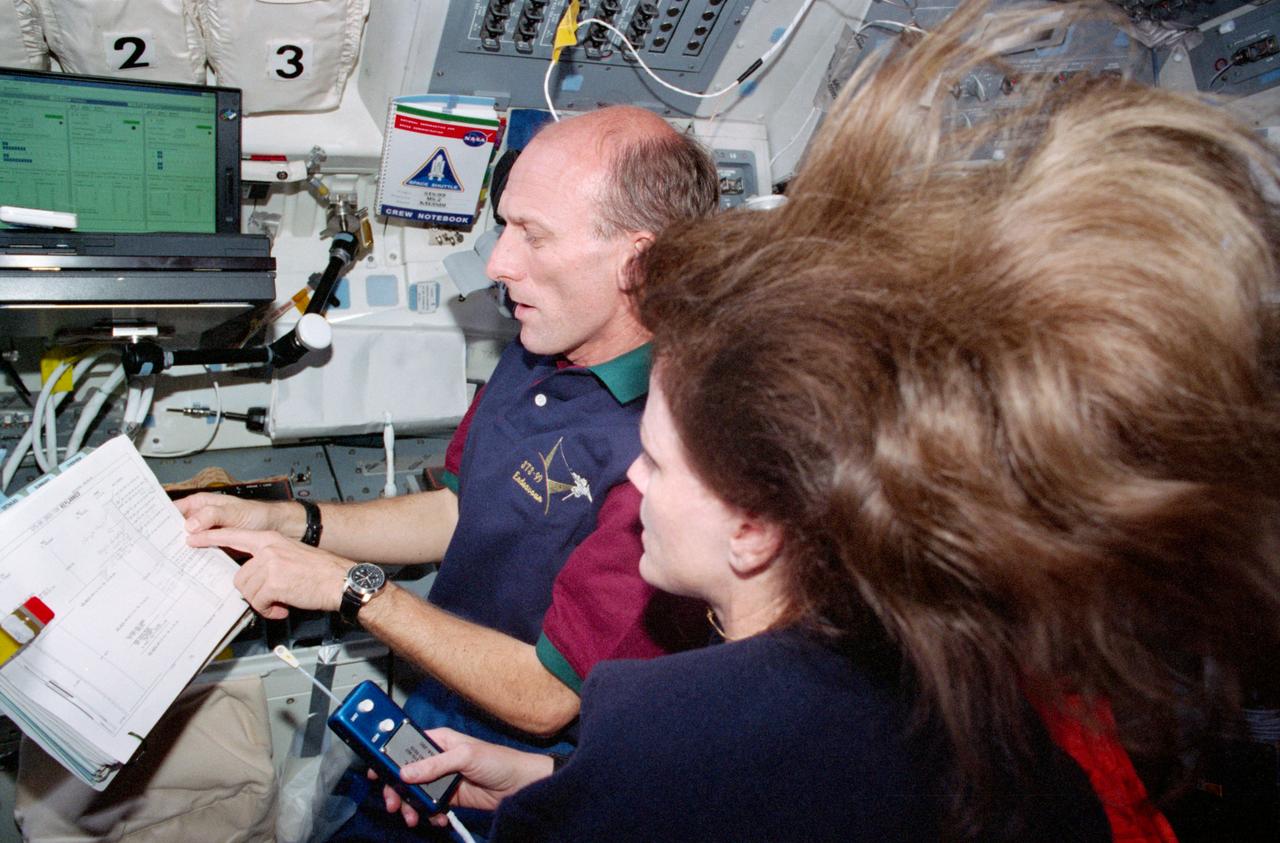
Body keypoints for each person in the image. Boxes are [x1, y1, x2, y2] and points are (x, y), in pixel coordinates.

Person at [377, 1, 1280, 839]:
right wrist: (546, 778)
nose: (634, 480)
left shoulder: (665, 727)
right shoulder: (979, 705)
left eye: (656, 459)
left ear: (756, 520)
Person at [176, 105, 717, 832]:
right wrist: (294, 522)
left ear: (640, 261)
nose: (498, 262)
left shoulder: (675, 451)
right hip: (439, 694)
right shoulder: (541, 340)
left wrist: (347, 584)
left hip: (529, 770)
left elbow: (549, 692)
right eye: (505, 224)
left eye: (534, 234)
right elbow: (460, 508)